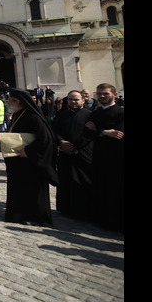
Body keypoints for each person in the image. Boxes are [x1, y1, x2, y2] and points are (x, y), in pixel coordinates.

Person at [2, 88, 58, 227]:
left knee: (34, 189)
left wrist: (28, 151)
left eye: (10, 101)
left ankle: (37, 217)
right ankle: (19, 214)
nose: (8, 103)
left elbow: (46, 140)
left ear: (18, 102)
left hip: (31, 160)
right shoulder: (17, 114)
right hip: (18, 160)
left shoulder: (33, 117)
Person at [86, 83, 124, 232]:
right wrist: (105, 132)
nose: (102, 96)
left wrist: (98, 131)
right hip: (99, 154)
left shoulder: (121, 112)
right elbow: (87, 132)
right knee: (101, 186)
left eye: (106, 94)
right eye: (100, 93)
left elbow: (119, 134)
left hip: (118, 155)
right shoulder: (95, 113)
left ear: (114, 95)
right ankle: (102, 217)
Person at [52, 90, 94, 221]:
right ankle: (66, 208)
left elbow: (89, 134)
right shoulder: (62, 115)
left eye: (76, 99)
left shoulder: (89, 115)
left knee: (82, 181)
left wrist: (75, 146)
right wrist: (61, 142)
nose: (73, 102)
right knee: (65, 180)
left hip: (82, 152)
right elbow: (54, 130)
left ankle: (83, 210)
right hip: (65, 153)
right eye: (70, 99)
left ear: (83, 100)